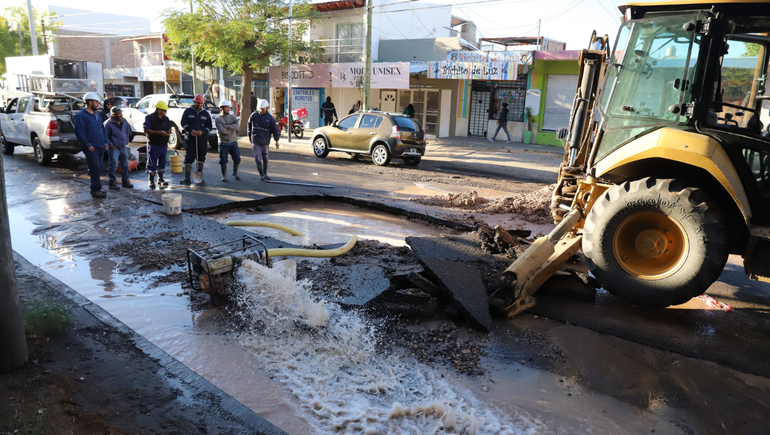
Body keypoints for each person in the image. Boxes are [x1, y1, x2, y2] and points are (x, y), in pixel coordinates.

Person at [74, 92, 109, 198]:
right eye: (96, 102)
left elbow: (103, 129)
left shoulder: (97, 115)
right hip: (91, 147)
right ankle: (95, 189)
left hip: (100, 146)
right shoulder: (81, 115)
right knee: (95, 167)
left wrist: (106, 142)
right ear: (90, 102)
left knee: (99, 167)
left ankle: (96, 187)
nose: (98, 104)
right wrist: (87, 145)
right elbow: (80, 132)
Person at [180, 94, 213, 186]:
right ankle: (187, 178)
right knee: (189, 157)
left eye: (201, 103)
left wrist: (203, 132)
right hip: (190, 139)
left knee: (201, 157)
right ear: (194, 102)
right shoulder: (188, 111)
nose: (199, 105)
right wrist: (191, 130)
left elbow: (209, 126)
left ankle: (199, 175)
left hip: (202, 140)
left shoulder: (206, 114)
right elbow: (183, 123)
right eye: (198, 103)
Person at [247, 99, 280, 181]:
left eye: (263, 108)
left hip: (265, 141)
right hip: (256, 140)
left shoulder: (270, 118)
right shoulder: (254, 115)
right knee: (258, 157)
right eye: (260, 108)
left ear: (267, 108)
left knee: (265, 157)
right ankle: (261, 174)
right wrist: (249, 136)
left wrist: (276, 141)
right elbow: (249, 125)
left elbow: (275, 130)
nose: (261, 110)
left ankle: (265, 173)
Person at [143, 101, 172, 189]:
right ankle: (151, 180)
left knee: (162, 162)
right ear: (159, 110)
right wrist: (158, 133)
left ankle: (160, 178)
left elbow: (170, 127)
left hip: (163, 144)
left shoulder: (166, 119)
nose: (166, 112)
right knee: (152, 162)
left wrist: (168, 132)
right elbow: (146, 130)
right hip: (154, 144)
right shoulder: (149, 118)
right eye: (164, 110)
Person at [104, 107, 133, 190]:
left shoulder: (124, 122)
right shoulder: (108, 124)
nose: (121, 115)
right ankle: (112, 182)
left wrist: (126, 141)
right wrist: (111, 145)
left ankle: (125, 181)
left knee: (125, 164)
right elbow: (105, 136)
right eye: (118, 114)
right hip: (114, 148)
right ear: (113, 115)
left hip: (123, 146)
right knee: (113, 165)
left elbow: (127, 132)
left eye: (121, 113)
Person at [215, 99, 241, 182]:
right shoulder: (218, 119)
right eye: (226, 107)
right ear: (221, 108)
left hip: (233, 141)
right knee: (223, 160)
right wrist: (231, 129)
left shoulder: (233, 117)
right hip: (223, 142)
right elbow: (223, 131)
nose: (228, 109)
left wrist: (227, 126)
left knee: (237, 158)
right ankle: (224, 176)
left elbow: (237, 127)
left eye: (228, 107)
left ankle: (235, 172)